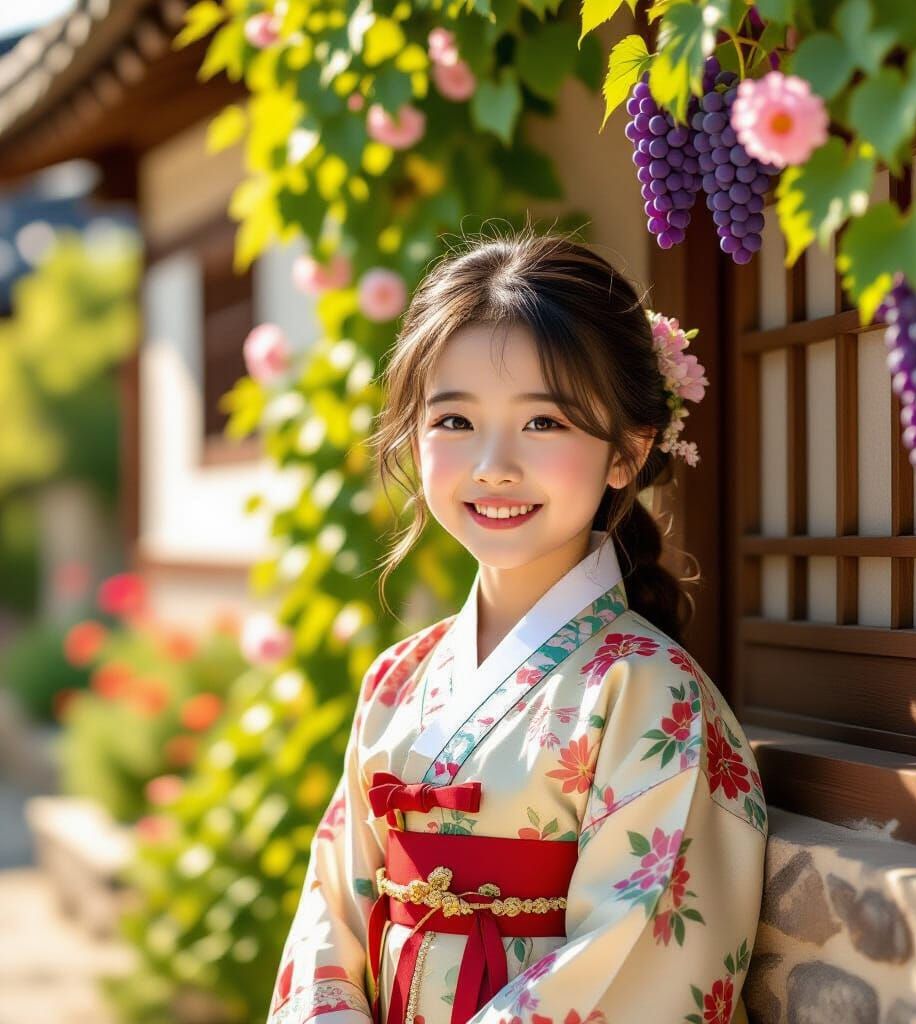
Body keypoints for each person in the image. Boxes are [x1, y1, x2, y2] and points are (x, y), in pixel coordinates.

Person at [266, 225, 767, 1024]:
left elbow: (635, 962)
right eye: (454, 421)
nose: (493, 465)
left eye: (543, 423)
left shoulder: (650, 694)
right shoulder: (396, 679)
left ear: (626, 452)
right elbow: (331, 912)